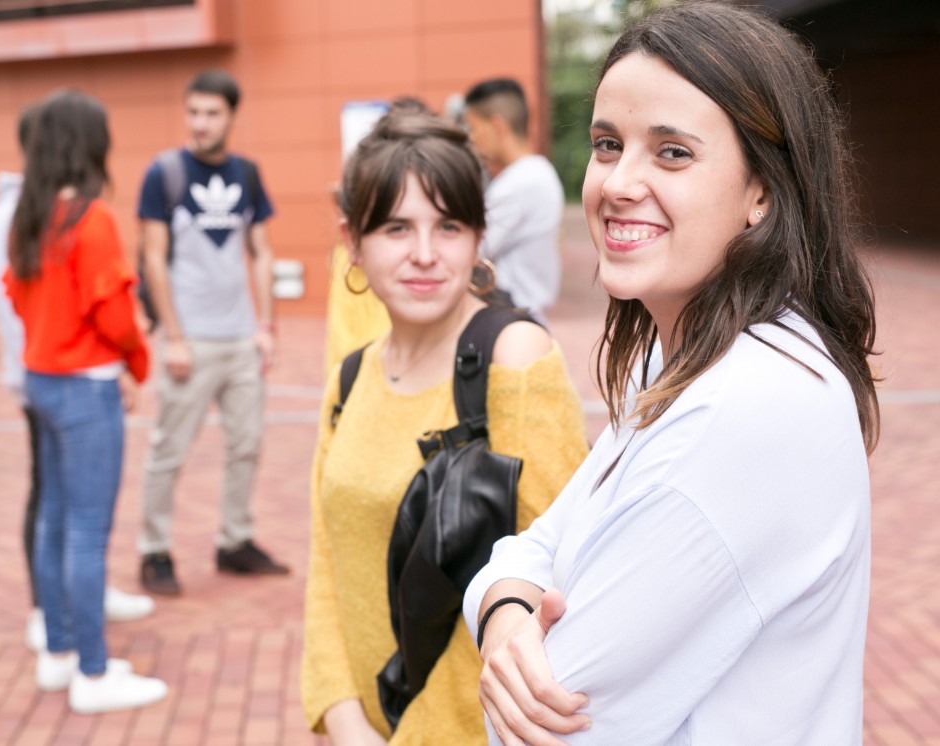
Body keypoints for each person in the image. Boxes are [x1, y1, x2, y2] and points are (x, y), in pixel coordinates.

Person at [463, 3, 880, 744]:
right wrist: (503, 619)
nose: (619, 182)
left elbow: (549, 724)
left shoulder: (749, 408)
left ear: (763, 190)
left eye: (673, 153)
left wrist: (505, 628)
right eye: (605, 144)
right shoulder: (687, 356)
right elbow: (534, 547)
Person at [301, 111, 589, 744]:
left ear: (479, 236)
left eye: (449, 226)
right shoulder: (349, 379)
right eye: (397, 227)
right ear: (354, 241)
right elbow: (328, 565)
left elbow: (557, 586)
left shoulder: (512, 357)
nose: (425, 254)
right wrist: (343, 714)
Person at [5, 89, 167, 714]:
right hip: (85, 387)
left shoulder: (30, 213)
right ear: (87, 143)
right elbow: (115, 312)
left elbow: (18, 297)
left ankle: (61, 653)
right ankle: (94, 675)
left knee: (53, 519)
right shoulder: (90, 218)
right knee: (85, 533)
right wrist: (136, 358)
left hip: (42, 379)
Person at [137, 69, 287, 596]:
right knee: (168, 450)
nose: (200, 123)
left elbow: (263, 251)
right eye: (193, 111)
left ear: (231, 116)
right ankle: (154, 551)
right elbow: (154, 261)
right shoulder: (165, 173)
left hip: (242, 338)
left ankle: (235, 542)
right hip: (192, 341)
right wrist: (173, 337)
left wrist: (266, 326)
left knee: (246, 446)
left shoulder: (247, 173)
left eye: (212, 113)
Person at [463, 78, 564, 323]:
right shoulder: (538, 172)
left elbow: (472, 250)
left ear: (497, 126)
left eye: (474, 128)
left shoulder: (519, 183)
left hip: (512, 315)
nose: (473, 139)